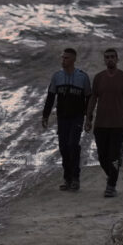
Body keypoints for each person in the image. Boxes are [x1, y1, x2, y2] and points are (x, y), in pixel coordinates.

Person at [84, 48, 123, 198]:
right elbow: (93, 98)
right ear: (104, 60)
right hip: (101, 124)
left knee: (113, 156)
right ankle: (112, 174)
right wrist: (88, 117)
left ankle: (111, 185)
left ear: (117, 59)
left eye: (112, 57)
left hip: (118, 124)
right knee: (102, 157)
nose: (110, 59)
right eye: (107, 57)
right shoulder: (99, 78)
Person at [42, 48, 93, 192]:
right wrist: (45, 115)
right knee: (63, 147)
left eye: (66, 58)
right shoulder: (57, 76)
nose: (63, 61)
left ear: (74, 59)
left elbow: (89, 97)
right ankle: (67, 178)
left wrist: (89, 117)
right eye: (62, 58)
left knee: (72, 145)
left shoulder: (82, 77)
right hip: (62, 117)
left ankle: (75, 178)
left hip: (77, 117)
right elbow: (51, 97)